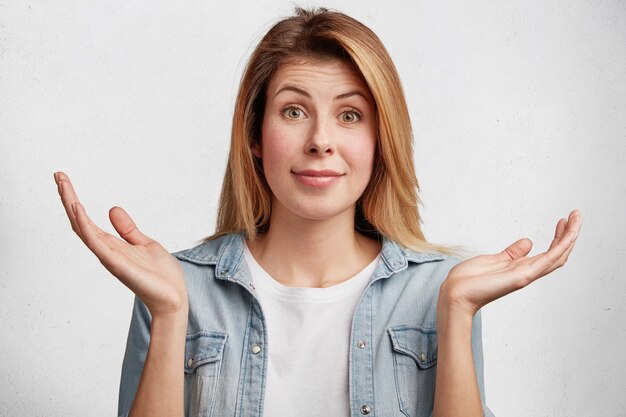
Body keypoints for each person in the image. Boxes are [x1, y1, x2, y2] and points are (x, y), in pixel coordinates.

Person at [54, 6, 581, 417]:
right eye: (294, 111)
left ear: (380, 142)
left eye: (350, 115)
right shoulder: (171, 288)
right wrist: (170, 315)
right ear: (255, 136)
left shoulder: (440, 290)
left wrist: (459, 309)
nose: (321, 141)